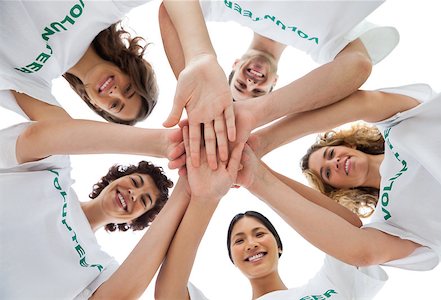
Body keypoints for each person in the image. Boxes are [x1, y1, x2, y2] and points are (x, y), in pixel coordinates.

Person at [153, 127, 387, 299]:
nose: (251, 243)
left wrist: (256, 172)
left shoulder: (327, 287)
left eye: (259, 233)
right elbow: (168, 295)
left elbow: (350, 228)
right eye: (239, 240)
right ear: (232, 259)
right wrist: (205, 196)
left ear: (279, 245)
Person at [159, 0, 398, 166]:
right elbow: (359, 65)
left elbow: (171, 11)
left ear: (234, 65)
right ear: (275, 83)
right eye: (257, 92)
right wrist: (257, 114)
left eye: (240, 85)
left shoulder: (226, 7)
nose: (251, 83)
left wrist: (200, 62)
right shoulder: (322, 43)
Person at [244, 83, 441, 274]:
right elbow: (361, 248)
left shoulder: (394, 123)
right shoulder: (389, 221)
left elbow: (362, 103)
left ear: (347, 144)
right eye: (327, 174)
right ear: (339, 190)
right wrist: (257, 173)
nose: (334, 163)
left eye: (331, 154)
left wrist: (261, 143)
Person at [1, 1, 236, 163]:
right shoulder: (105, 7)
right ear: (128, 68)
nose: (116, 93)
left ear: (94, 105)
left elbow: (59, 137)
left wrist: (165, 145)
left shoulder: (32, 81)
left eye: (115, 105)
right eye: (128, 89)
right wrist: (200, 56)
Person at [0, 119, 191, 299]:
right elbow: (34, 138)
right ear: (114, 178)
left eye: (144, 200)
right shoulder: (56, 169)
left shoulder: (101, 269)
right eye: (135, 182)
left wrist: (188, 186)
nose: (134, 194)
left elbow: (117, 296)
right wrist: (163, 144)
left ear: (136, 220)